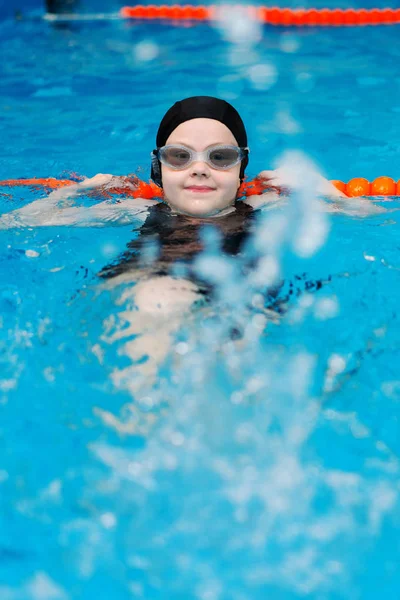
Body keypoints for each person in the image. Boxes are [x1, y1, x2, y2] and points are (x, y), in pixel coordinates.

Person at [0, 96, 377, 400]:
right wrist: (76, 192)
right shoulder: (134, 210)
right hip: (150, 290)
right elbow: (15, 223)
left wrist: (323, 192)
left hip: (238, 301)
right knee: (158, 304)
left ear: (241, 169)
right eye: (180, 156)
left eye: (220, 157)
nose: (199, 169)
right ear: (158, 169)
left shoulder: (264, 205)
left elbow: (371, 217)